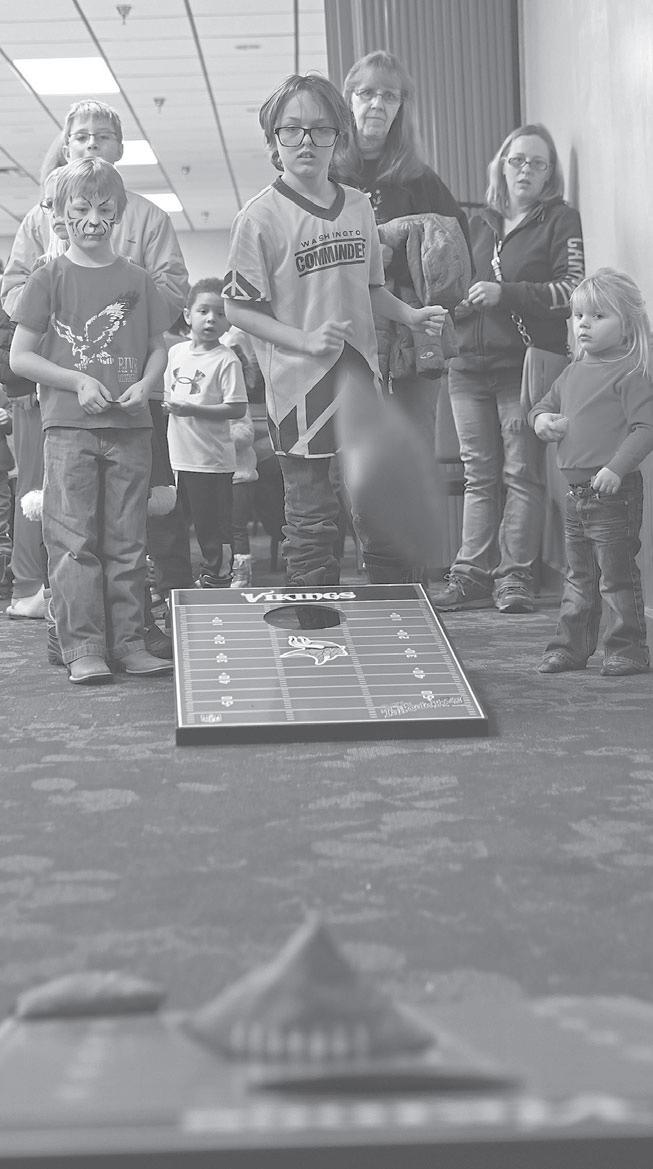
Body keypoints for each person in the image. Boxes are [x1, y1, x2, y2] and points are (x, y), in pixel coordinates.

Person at [222, 73, 446, 589]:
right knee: (311, 516)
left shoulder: (358, 205)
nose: (306, 141)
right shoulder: (257, 218)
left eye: (321, 129)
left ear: (338, 137)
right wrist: (303, 340)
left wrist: (410, 316)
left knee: (377, 505)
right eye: (292, 129)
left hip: (360, 379)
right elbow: (237, 310)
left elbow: (371, 288)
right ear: (274, 138)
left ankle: (391, 610)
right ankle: (314, 616)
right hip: (298, 390)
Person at [1, 100, 191, 645]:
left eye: (101, 135)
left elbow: (169, 296)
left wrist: (121, 299)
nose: (90, 143)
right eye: (80, 135)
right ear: (65, 145)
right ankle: (73, 635)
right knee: (69, 525)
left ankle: (133, 631)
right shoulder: (39, 222)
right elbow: (15, 297)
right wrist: (62, 303)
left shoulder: (148, 218)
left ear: (118, 147)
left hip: (130, 397)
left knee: (134, 523)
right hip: (64, 400)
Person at [429, 123, 585, 614]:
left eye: (537, 163)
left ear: (549, 173)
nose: (525, 170)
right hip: (466, 368)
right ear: (501, 165)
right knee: (478, 474)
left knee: (521, 474)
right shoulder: (478, 224)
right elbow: (453, 285)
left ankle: (515, 577)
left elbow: (573, 291)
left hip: (523, 368)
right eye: (517, 160)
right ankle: (470, 574)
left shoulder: (561, 220)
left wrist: (506, 293)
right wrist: (455, 305)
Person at [529, 269, 653, 676]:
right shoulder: (572, 371)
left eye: (598, 316)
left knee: (615, 577)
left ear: (627, 325)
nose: (583, 324)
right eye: (579, 315)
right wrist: (541, 421)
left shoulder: (631, 372)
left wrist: (617, 468)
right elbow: (541, 407)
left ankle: (627, 650)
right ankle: (570, 648)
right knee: (578, 577)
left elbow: (645, 428)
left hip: (613, 494)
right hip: (575, 495)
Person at [163, 278, 247, 588]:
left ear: (229, 321)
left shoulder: (227, 359)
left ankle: (217, 579)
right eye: (203, 311)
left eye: (220, 313)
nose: (211, 319)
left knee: (213, 530)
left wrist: (192, 410)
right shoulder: (175, 352)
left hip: (211, 462)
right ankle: (174, 585)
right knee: (172, 528)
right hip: (176, 459)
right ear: (188, 315)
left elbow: (236, 408)